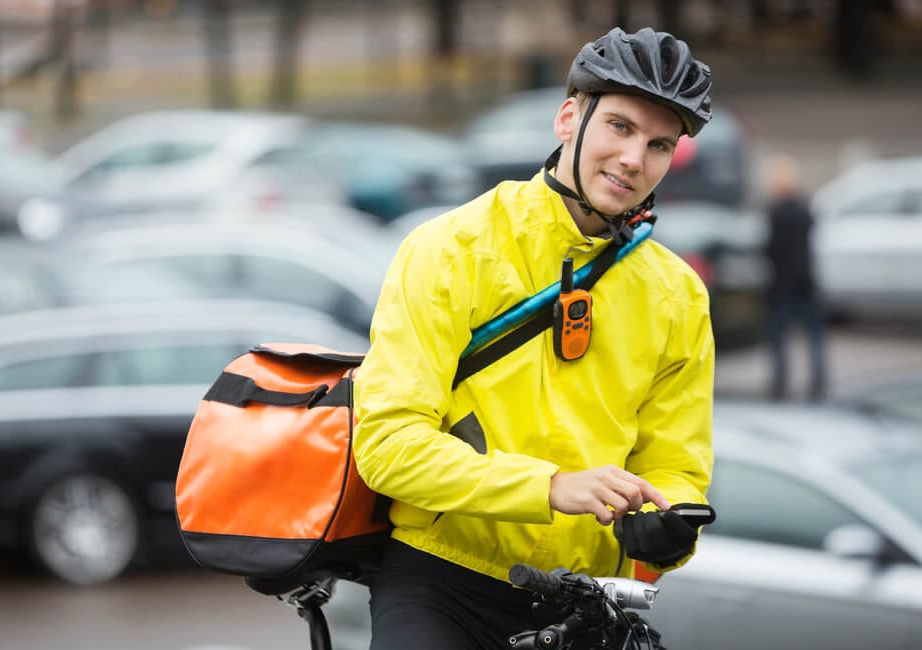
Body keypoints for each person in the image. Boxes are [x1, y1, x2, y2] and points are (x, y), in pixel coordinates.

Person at [353, 26, 716, 650]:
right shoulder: (450, 249)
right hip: (442, 580)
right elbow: (388, 445)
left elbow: (675, 469)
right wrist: (548, 487)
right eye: (620, 127)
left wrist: (668, 527)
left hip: (584, 600)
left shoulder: (678, 295)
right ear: (569, 117)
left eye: (659, 144)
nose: (634, 158)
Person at [763, 152, 827, 401]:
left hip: (781, 285)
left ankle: (779, 385)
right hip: (806, 282)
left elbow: (771, 248)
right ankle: (819, 383)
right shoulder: (805, 209)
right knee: (814, 338)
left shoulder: (776, 213)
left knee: (779, 340)